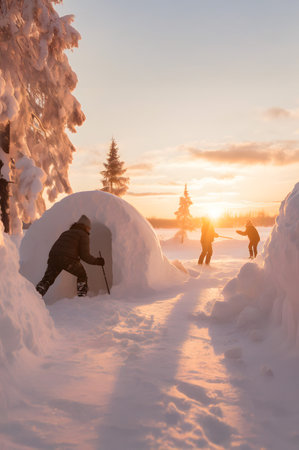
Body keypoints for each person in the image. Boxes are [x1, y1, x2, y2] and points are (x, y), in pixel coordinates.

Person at [36, 215, 105, 297]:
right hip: (67, 259)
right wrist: (97, 261)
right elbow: (85, 256)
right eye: (89, 228)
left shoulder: (66, 232)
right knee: (82, 275)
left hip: (53, 257)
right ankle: (82, 297)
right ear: (86, 226)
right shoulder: (83, 235)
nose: (89, 230)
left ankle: (34, 297)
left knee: (47, 280)